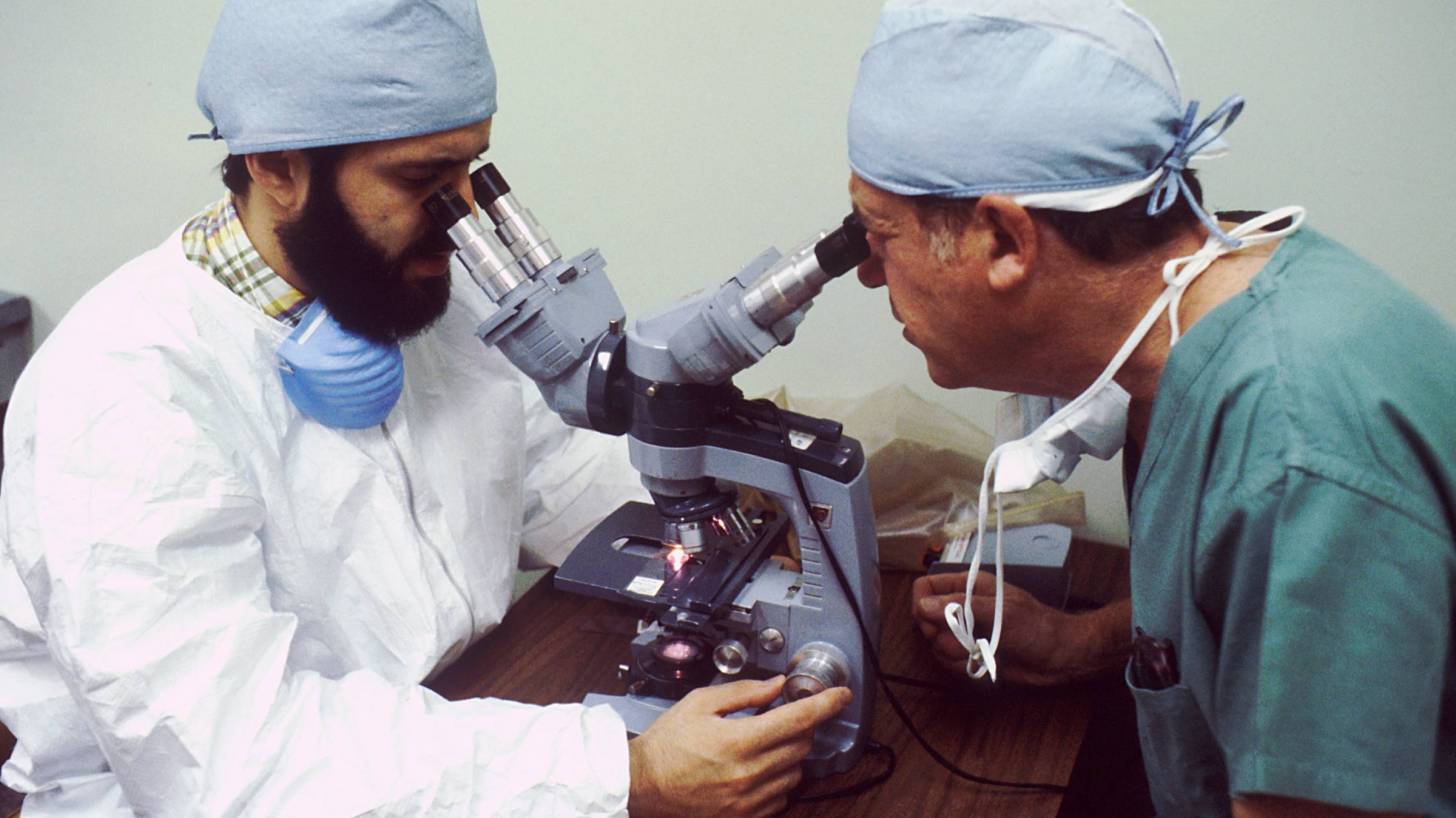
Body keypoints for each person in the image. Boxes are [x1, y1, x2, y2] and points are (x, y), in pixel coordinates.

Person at [0, 2, 848, 816]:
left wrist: (735, 518)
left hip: (459, 727)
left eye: (469, 174)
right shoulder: (121, 394)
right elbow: (231, 766)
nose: (460, 218)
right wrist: (621, 773)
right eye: (420, 181)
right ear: (276, 164)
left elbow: (555, 470)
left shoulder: (413, 292)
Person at [844, 1, 1454, 816]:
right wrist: (1076, 645)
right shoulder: (1209, 297)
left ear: (1004, 242)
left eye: (880, 236)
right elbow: (1238, 612)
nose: (869, 276)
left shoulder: (1293, 452)